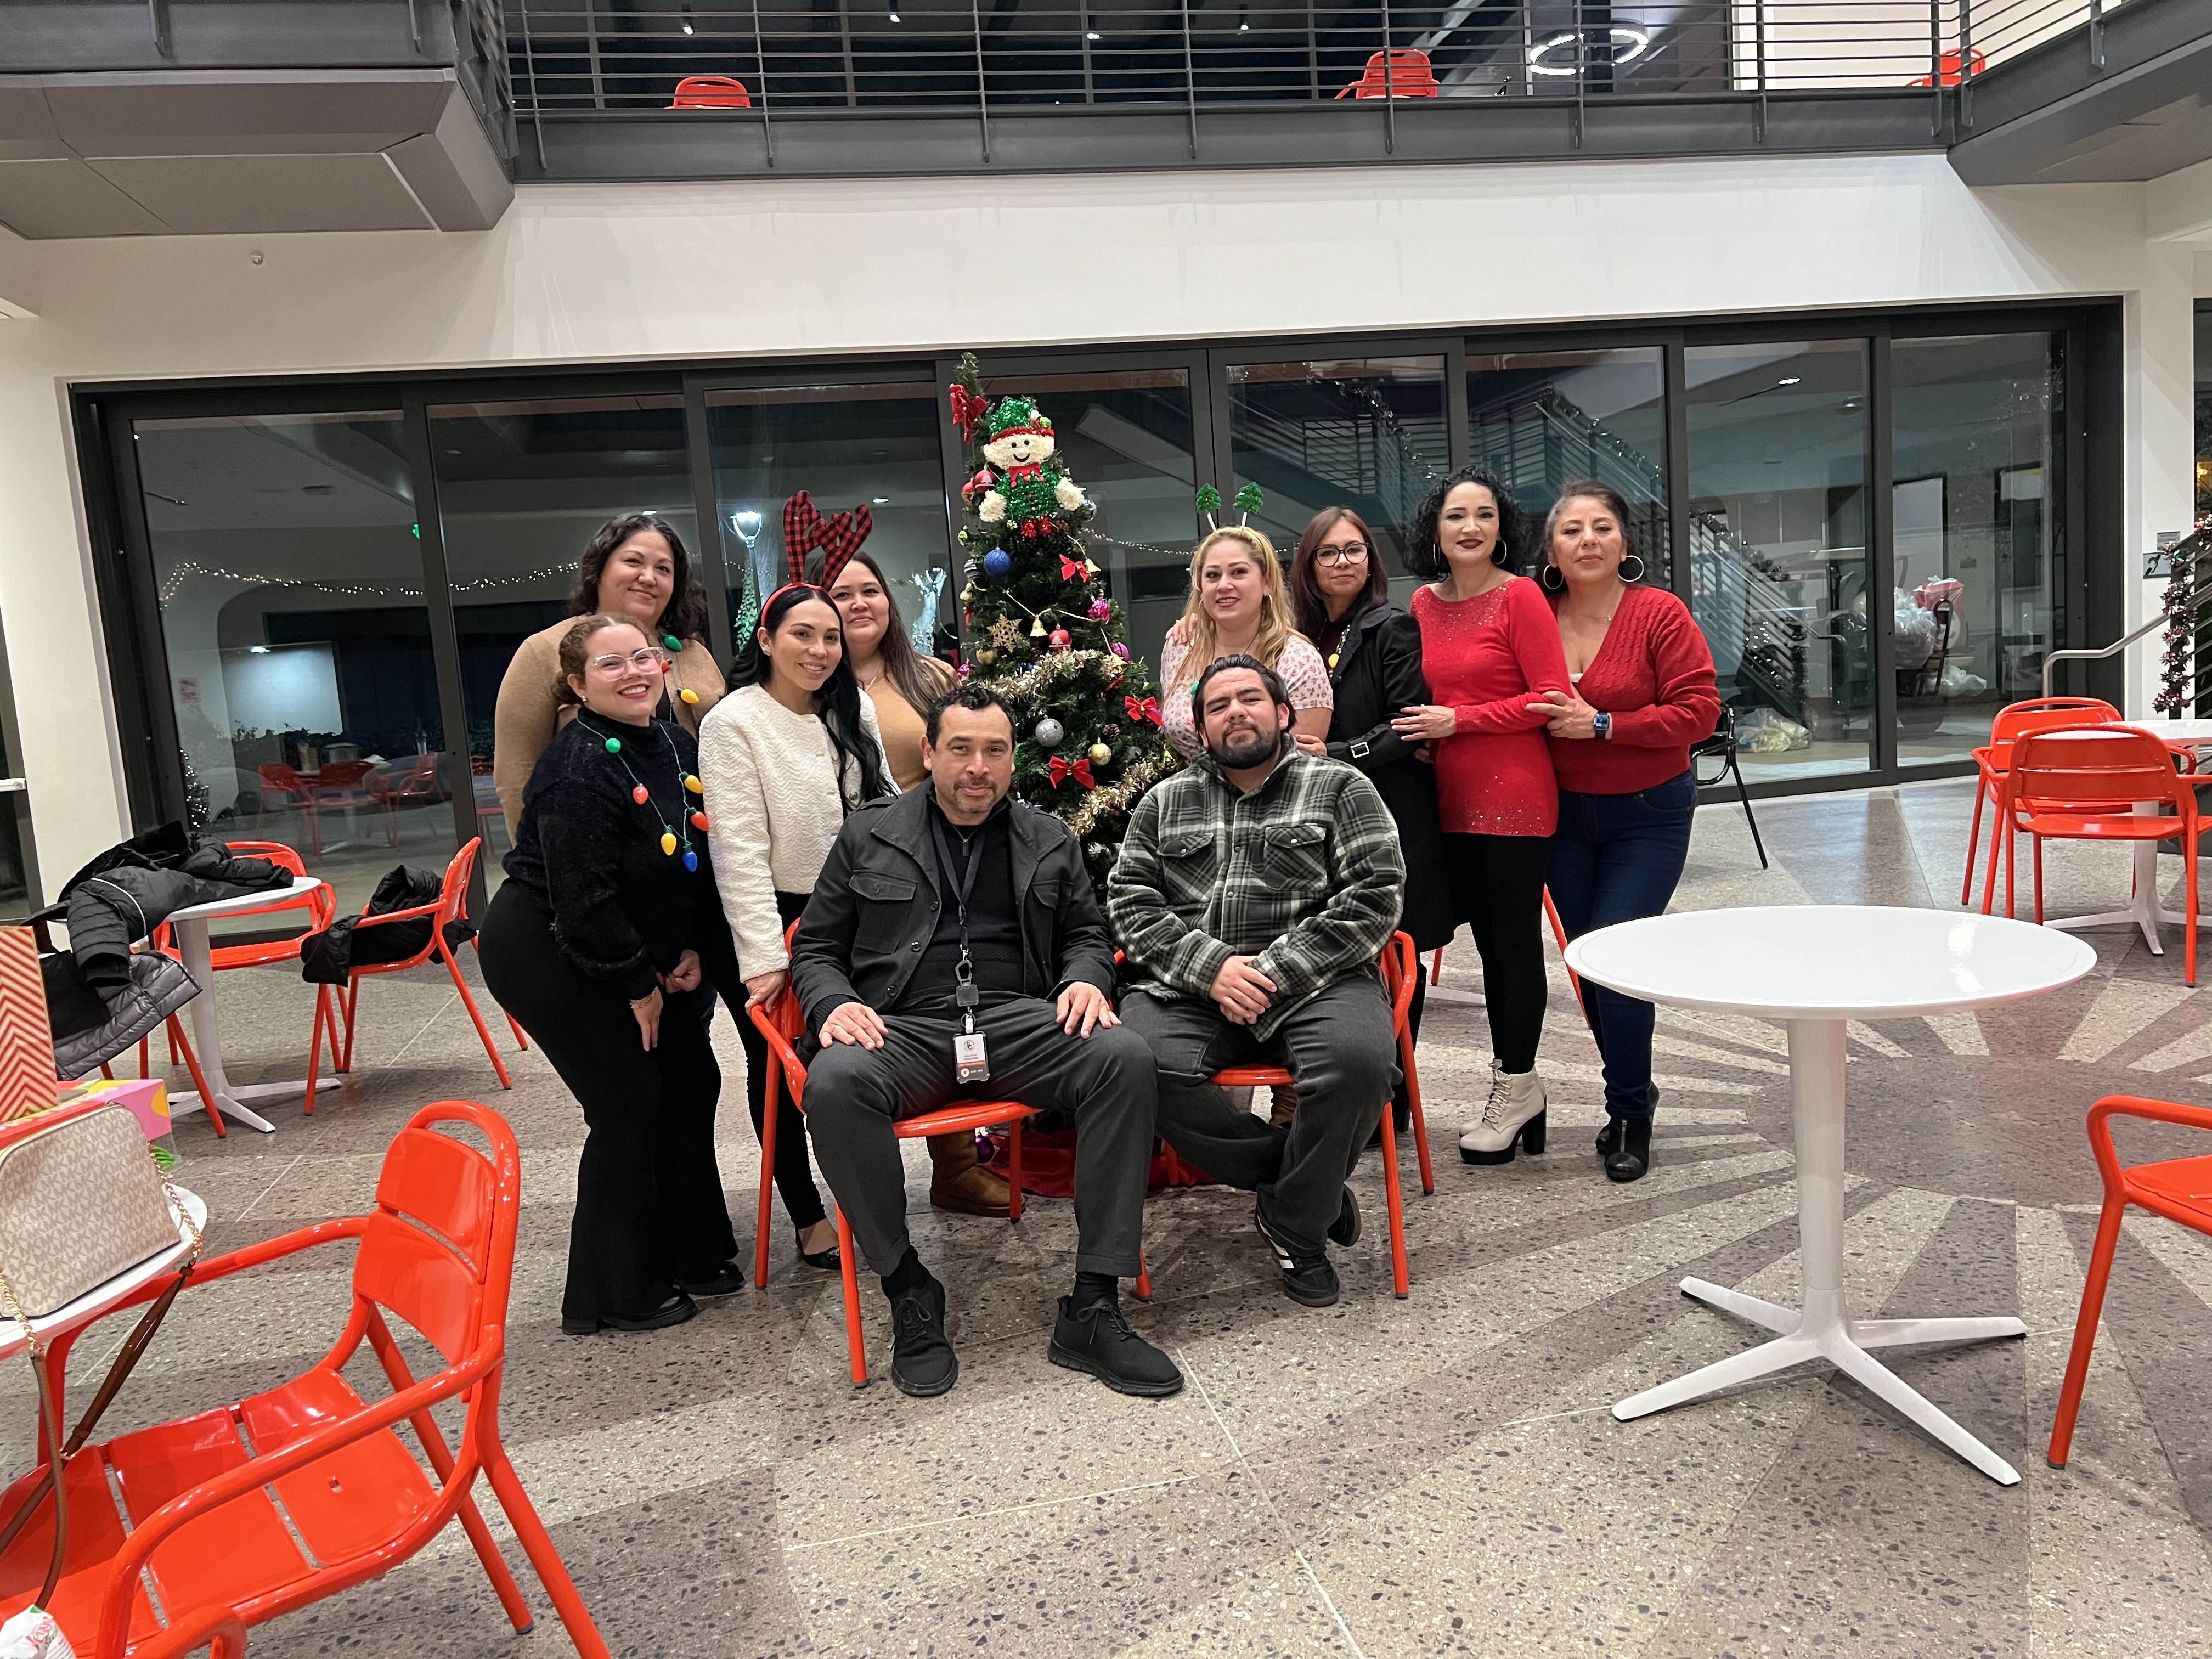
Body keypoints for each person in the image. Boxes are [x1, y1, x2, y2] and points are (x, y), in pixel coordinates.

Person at [792, 682, 1180, 1400]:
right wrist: (834, 1003)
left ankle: (1094, 1305)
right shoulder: (870, 834)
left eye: (995, 751)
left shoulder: (1048, 838)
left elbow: (1087, 936)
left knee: (1122, 1058)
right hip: (904, 1025)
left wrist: (1086, 979)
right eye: (961, 749)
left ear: (1013, 759)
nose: (978, 767)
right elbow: (815, 948)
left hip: (1013, 1019)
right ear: (929, 752)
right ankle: (908, 1288)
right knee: (836, 1085)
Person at [1110, 656, 1405, 1310]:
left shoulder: (1341, 787)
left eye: (1250, 698)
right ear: (1201, 730)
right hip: (1190, 988)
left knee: (1360, 1064)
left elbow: (1375, 897)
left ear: (1284, 713)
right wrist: (1211, 968)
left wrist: (1269, 973)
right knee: (1136, 1063)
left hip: (1320, 980)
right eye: (1218, 706)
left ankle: (1294, 1225)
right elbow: (1130, 903)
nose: (1235, 712)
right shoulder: (1163, 802)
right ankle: (1306, 1188)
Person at [479, 613, 741, 1335]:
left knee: (691, 1076)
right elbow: (583, 897)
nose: (633, 672)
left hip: (624, 937)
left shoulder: (674, 745)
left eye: (643, 657)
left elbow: (686, 859)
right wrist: (638, 982)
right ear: (576, 683)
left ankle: (693, 1250)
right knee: (628, 1103)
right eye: (610, 664)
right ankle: (614, 1291)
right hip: (545, 945)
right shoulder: (576, 767)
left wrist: (685, 948)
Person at [699, 583, 895, 1273]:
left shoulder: (853, 707)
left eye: (830, 637)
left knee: (853, 1051)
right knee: (777, 1066)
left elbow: (885, 805)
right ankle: (807, 1214)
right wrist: (763, 957)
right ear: (766, 640)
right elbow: (738, 850)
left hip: (854, 910)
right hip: (771, 916)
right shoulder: (733, 722)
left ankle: (868, 1197)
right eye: (802, 635)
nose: (819, 651)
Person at [1528, 481, 1719, 1184]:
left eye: (1602, 527)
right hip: (1561, 818)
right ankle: (1633, 1085)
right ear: (1552, 550)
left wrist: (1604, 724)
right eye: (1572, 530)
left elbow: (1700, 712)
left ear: (1624, 542)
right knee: (1587, 965)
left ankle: (1630, 1112)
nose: (1588, 540)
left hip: (1648, 815)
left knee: (1618, 960)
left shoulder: (1658, 613)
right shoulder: (1534, 613)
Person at [1391, 466, 1571, 1168]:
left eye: (1485, 515)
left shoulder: (1519, 596)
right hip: (1446, 802)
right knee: (1442, 941)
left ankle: (1516, 1087)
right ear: (1434, 530)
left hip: (1515, 798)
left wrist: (1457, 721)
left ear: (1502, 529)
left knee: (1509, 947)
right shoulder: (1423, 604)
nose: (1471, 527)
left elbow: (1549, 698)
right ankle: (1402, 1094)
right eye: (1456, 515)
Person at [826, 551, 1013, 1218]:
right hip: (849, 867)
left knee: (944, 993)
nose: (858, 604)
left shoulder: (927, 675)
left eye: (870, 590)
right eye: (841, 593)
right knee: (867, 1020)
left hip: (935, 861)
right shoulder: (813, 680)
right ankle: (857, 1196)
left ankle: (957, 1167)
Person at [1285, 506, 1452, 1140]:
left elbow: (1407, 726)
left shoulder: (1392, 626)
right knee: (1336, 951)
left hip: (1390, 813)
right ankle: (1344, 1090)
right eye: (1328, 552)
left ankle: (1393, 1099)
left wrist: (1337, 754)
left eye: (1354, 550)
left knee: (1394, 951)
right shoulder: (1297, 635)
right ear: (1308, 564)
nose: (1342, 562)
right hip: (1320, 820)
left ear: (1370, 560)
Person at [492, 513, 721, 837]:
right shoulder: (544, 651)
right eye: (634, 562)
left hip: (697, 843)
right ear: (599, 570)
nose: (649, 578)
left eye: (664, 569)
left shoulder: (693, 653)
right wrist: (542, 856)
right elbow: (517, 773)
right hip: (589, 847)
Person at [1158, 527, 1333, 760]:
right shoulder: (1180, 647)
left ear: (1266, 583)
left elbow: (1303, 762)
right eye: (1213, 575)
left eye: (1238, 572)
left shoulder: (1298, 659)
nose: (1223, 585)